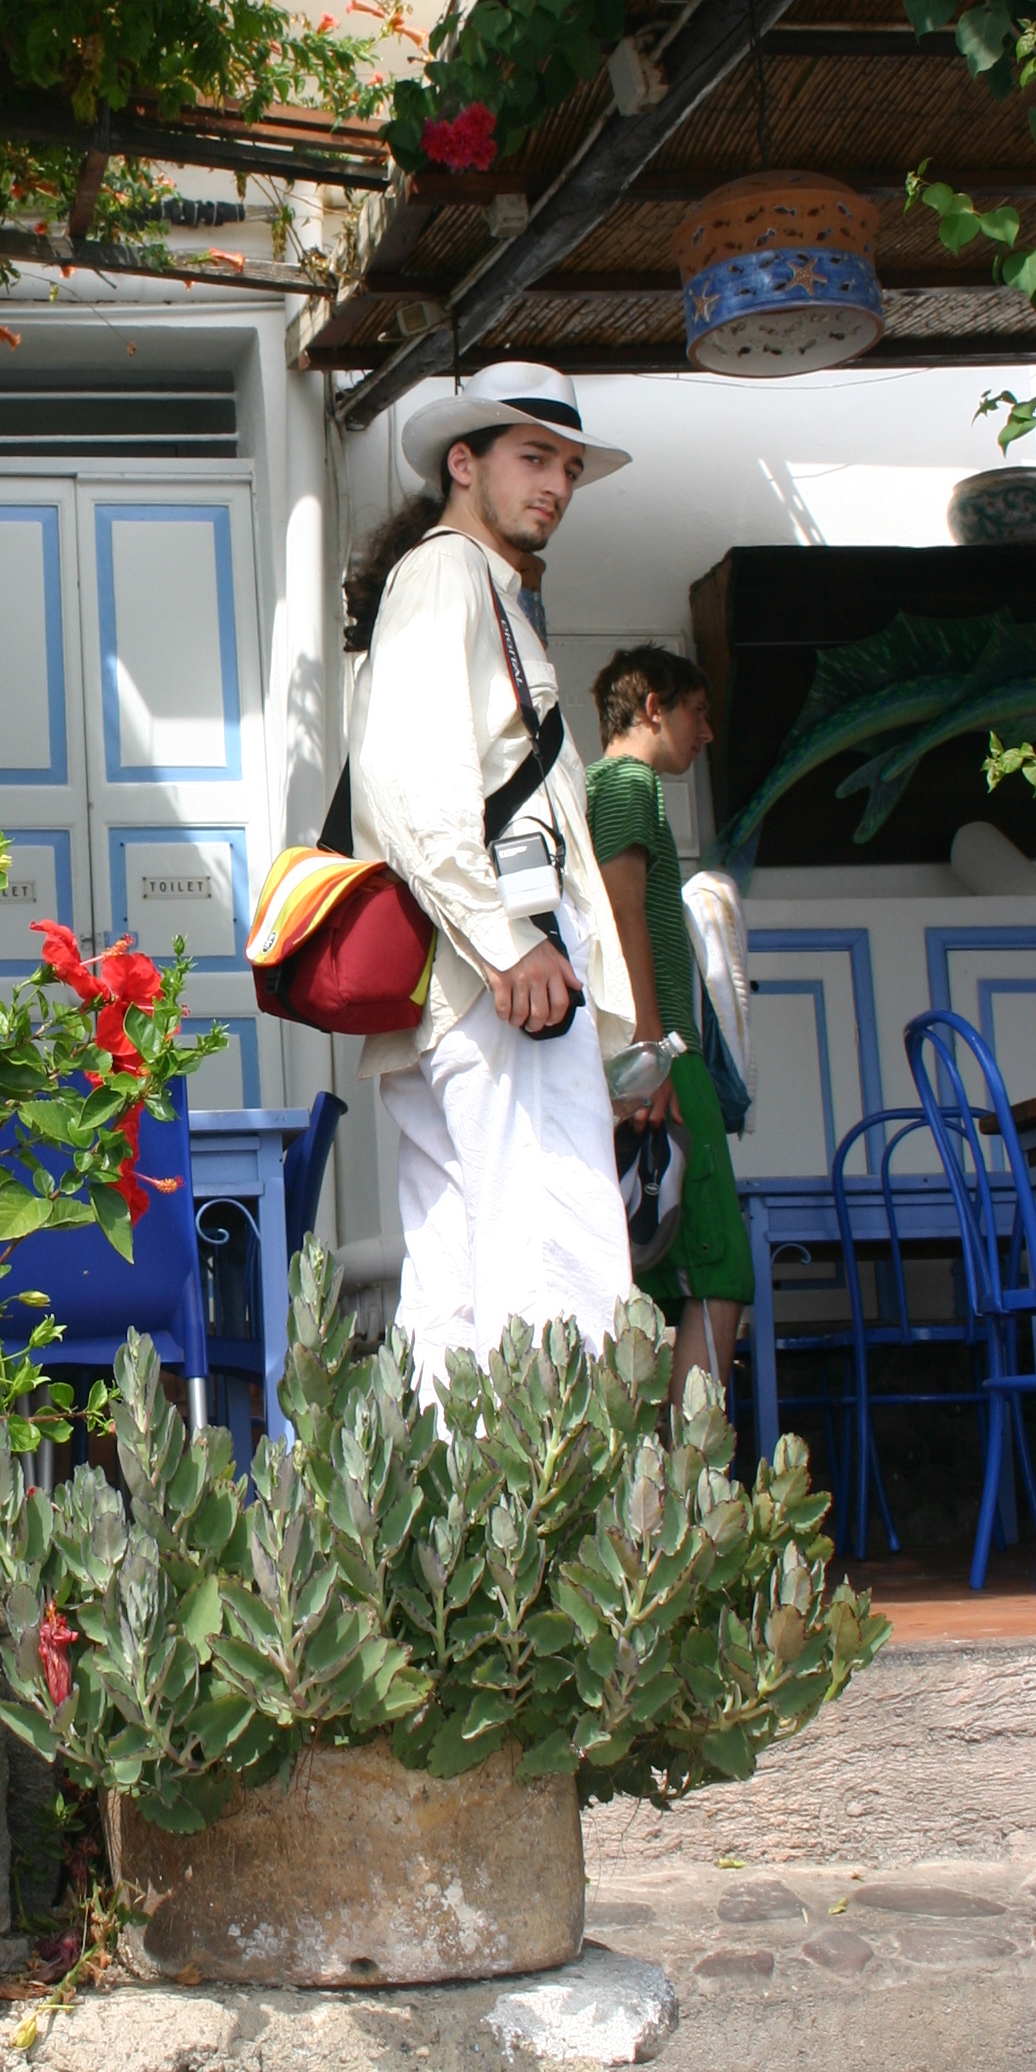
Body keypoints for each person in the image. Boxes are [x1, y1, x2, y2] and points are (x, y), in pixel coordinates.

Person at [345, 364, 637, 1384]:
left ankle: (453, 1481)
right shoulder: (446, 574)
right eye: (533, 457)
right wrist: (508, 942)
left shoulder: (469, 584)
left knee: (459, 1274)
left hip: (468, 975)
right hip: (497, 974)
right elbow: (413, 783)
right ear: (462, 464)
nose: (555, 484)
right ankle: (558, 1480)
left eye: (568, 467)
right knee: (552, 1251)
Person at [586, 646, 756, 1407]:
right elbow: (624, 908)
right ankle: (700, 1470)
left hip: (634, 1056)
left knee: (652, 1267)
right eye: (697, 712)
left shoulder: (600, 787)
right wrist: (652, 1052)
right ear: (653, 707)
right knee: (721, 1270)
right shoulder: (628, 783)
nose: (707, 732)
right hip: (659, 1055)